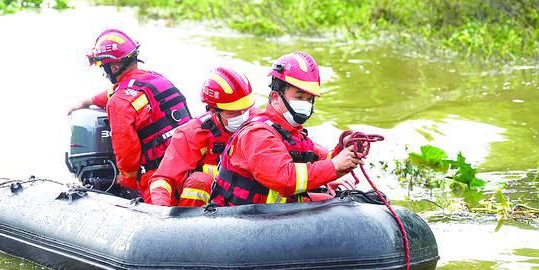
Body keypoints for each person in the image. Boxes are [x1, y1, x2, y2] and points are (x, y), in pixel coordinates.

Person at [209, 51, 362, 206]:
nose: (305, 104)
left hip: (273, 214)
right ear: (275, 97)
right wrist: (334, 165)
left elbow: (323, 160)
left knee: (348, 202)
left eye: (309, 99)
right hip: (243, 219)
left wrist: (343, 149)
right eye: (299, 97)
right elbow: (284, 179)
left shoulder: (292, 132)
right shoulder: (258, 134)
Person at [67, 28, 191, 202]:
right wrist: (89, 101)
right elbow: (118, 91)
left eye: (104, 66)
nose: (105, 71)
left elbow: (127, 149)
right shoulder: (157, 79)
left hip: (159, 177)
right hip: (190, 165)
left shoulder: (119, 103)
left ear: (115, 66)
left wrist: (127, 178)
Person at [149, 67, 255, 206]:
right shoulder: (192, 134)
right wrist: (161, 211)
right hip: (204, 209)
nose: (242, 116)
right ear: (213, 110)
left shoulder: (260, 123)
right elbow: (164, 178)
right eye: (232, 113)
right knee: (199, 180)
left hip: (246, 204)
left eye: (245, 110)